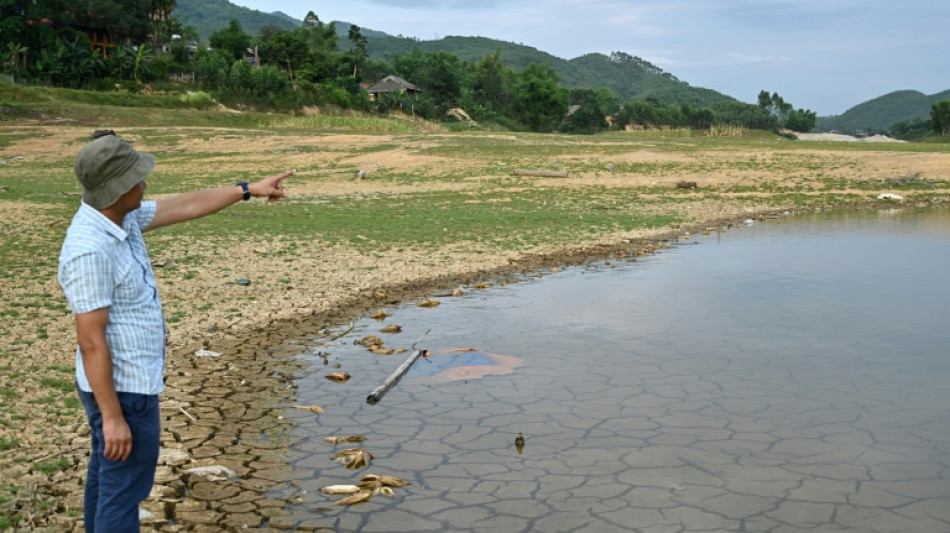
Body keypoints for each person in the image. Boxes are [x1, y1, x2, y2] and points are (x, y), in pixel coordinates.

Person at [58, 133, 292, 532]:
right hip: (123, 390)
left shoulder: (119, 217)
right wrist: (113, 417)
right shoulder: (90, 249)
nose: (144, 183)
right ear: (117, 188)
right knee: (124, 490)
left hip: (126, 385)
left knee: (109, 480)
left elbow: (184, 205)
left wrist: (247, 190)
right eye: (136, 178)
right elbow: (90, 342)